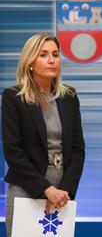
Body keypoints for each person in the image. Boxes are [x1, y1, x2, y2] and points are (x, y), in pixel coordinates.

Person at [1, 33, 85, 237]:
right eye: (43, 55)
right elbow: (13, 152)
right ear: (30, 62)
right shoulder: (14, 97)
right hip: (26, 188)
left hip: (62, 191)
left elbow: (77, 149)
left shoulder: (69, 97)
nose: (51, 60)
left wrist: (64, 190)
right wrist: (45, 189)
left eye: (55, 55)